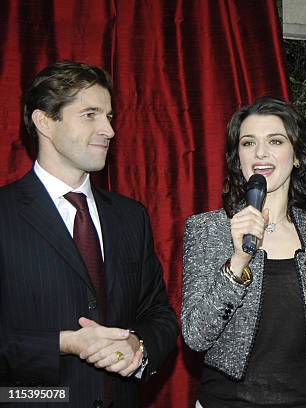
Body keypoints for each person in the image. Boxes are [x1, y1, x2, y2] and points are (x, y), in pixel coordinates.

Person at [0, 61, 179, 407]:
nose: (109, 130)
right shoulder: (5, 214)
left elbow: (159, 313)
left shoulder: (131, 217)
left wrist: (137, 346)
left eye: (109, 116)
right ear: (44, 122)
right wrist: (63, 343)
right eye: (90, 115)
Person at [181, 96, 306, 408]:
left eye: (275, 141)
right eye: (248, 143)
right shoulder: (207, 229)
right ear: (238, 158)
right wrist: (238, 261)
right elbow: (196, 336)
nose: (260, 153)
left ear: (298, 155)